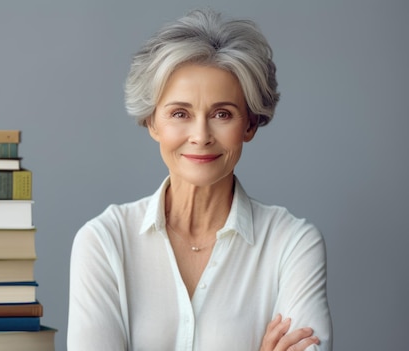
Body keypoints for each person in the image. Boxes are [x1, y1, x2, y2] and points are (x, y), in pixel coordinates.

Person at [67, 8, 332, 351]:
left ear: (250, 124)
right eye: (180, 113)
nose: (201, 135)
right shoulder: (103, 242)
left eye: (223, 114)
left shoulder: (293, 245)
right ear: (152, 122)